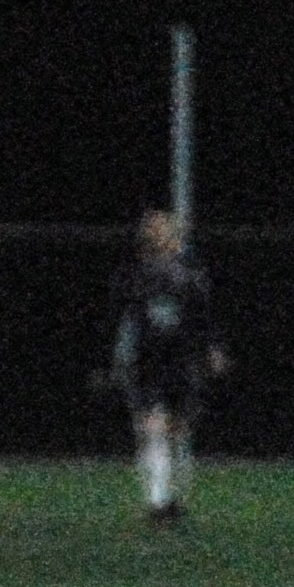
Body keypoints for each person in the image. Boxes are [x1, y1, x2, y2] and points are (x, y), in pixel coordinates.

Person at [109, 209, 226, 525]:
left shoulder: (189, 275)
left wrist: (212, 348)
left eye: (167, 231)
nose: (164, 236)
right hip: (148, 360)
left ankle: (171, 498)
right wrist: (122, 355)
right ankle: (157, 501)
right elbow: (126, 317)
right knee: (153, 427)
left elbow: (203, 317)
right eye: (157, 231)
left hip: (181, 360)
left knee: (177, 429)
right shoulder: (135, 276)